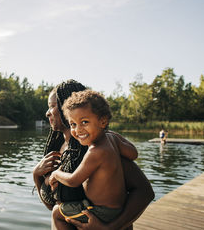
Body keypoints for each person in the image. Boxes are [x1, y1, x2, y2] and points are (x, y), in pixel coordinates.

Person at [32, 80, 154, 229]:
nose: (47, 112)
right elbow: (53, 206)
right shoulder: (57, 150)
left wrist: (110, 228)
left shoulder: (100, 147)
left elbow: (145, 192)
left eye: (52, 106)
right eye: (74, 124)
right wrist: (36, 175)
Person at [49, 90, 137, 229]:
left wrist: (56, 174)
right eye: (73, 124)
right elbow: (133, 154)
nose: (78, 130)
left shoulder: (95, 151)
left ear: (103, 121)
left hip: (103, 212)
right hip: (118, 208)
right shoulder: (112, 138)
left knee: (56, 213)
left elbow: (73, 180)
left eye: (84, 122)